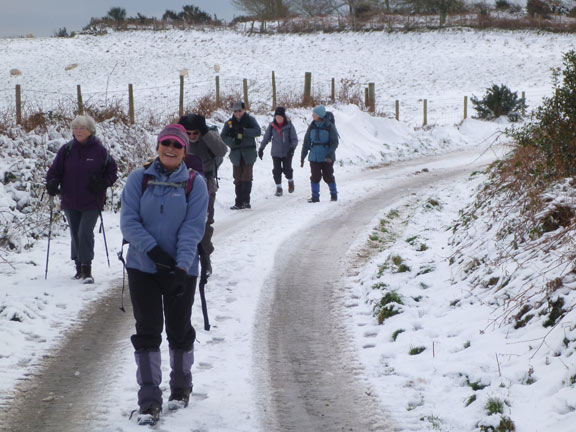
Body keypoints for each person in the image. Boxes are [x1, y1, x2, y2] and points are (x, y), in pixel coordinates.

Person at [120, 124, 209, 425]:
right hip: (143, 267)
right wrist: (154, 252)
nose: (170, 149)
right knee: (147, 331)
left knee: (179, 329)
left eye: (177, 145)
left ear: (185, 150)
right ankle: (148, 401)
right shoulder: (138, 179)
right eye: (165, 143)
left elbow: (193, 228)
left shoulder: (195, 184)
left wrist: (181, 268)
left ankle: (181, 387)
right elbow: (129, 222)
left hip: (181, 269)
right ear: (158, 146)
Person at [45, 115, 118, 284]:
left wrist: (103, 184)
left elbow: (112, 172)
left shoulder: (100, 151)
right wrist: (52, 183)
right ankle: (78, 267)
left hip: (92, 200)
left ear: (90, 130)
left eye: (82, 128)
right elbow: (54, 171)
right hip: (70, 199)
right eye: (75, 128)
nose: (78, 131)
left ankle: (87, 269)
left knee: (84, 232)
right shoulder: (67, 150)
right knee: (75, 233)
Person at [178, 114, 228, 278]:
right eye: (189, 133)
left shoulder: (209, 137)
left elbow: (222, 150)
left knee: (205, 222)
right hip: (180, 184)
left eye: (195, 133)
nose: (192, 137)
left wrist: (205, 133)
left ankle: (205, 257)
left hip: (206, 183)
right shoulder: (178, 141)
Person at [220, 101, 261, 209]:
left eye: (239, 111)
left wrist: (244, 132)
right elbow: (223, 136)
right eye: (235, 111)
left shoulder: (250, 120)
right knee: (237, 178)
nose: (237, 113)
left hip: (248, 154)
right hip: (236, 154)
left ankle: (246, 201)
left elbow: (257, 131)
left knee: (246, 177)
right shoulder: (229, 123)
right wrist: (232, 141)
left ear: (244, 110)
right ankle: (238, 202)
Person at [300, 105, 339, 203]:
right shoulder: (312, 126)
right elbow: (306, 142)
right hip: (314, 156)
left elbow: (334, 142)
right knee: (315, 176)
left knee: (328, 176)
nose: (312, 115)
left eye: (314, 113)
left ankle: (334, 194)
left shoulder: (329, 126)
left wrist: (330, 153)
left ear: (319, 115)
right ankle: (315, 197)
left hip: (327, 157)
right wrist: (303, 156)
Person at [258, 106, 298, 196]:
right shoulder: (272, 126)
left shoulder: (289, 126)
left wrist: (292, 148)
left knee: (287, 170)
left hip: (287, 152)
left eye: (280, 117)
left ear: (283, 117)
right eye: (277, 117)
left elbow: (294, 139)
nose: (278, 119)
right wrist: (261, 148)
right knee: (277, 171)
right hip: (275, 152)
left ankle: (290, 181)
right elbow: (266, 138)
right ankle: (279, 188)